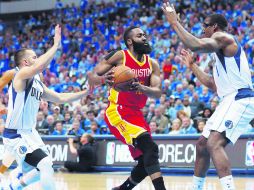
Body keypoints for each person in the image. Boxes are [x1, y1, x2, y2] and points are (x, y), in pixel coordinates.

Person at [162, 3, 254, 190]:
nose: (202, 29)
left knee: (214, 143)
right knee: (202, 145)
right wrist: (193, 67)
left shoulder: (223, 37)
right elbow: (214, 85)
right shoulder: (219, 54)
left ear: (215, 28)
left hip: (241, 98)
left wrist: (174, 23)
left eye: (205, 25)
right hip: (229, 99)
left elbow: (195, 44)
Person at [2, 24, 90, 190]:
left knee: (45, 166)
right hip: (16, 134)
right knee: (43, 164)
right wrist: (55, 45)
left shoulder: (37, 83)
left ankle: (13, 186)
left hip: (29, 132)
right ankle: (13, 182)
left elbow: (60, 97)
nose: (38, 59)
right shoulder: (20, 75)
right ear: (25, 62)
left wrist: (85, 92)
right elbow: (40, 66)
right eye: (35, 57)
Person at [89, 26, 166, 190]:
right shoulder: (120, 56)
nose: (144, 37)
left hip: (137, 114)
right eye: (140, 36)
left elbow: (158, 93)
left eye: (145, 34)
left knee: (147, 158)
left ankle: (123, 189)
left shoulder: (152, 64)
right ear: (130, 41)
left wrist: (142, 88)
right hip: (117, 111)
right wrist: (106, 80)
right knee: (150, 148)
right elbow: (93, 76)